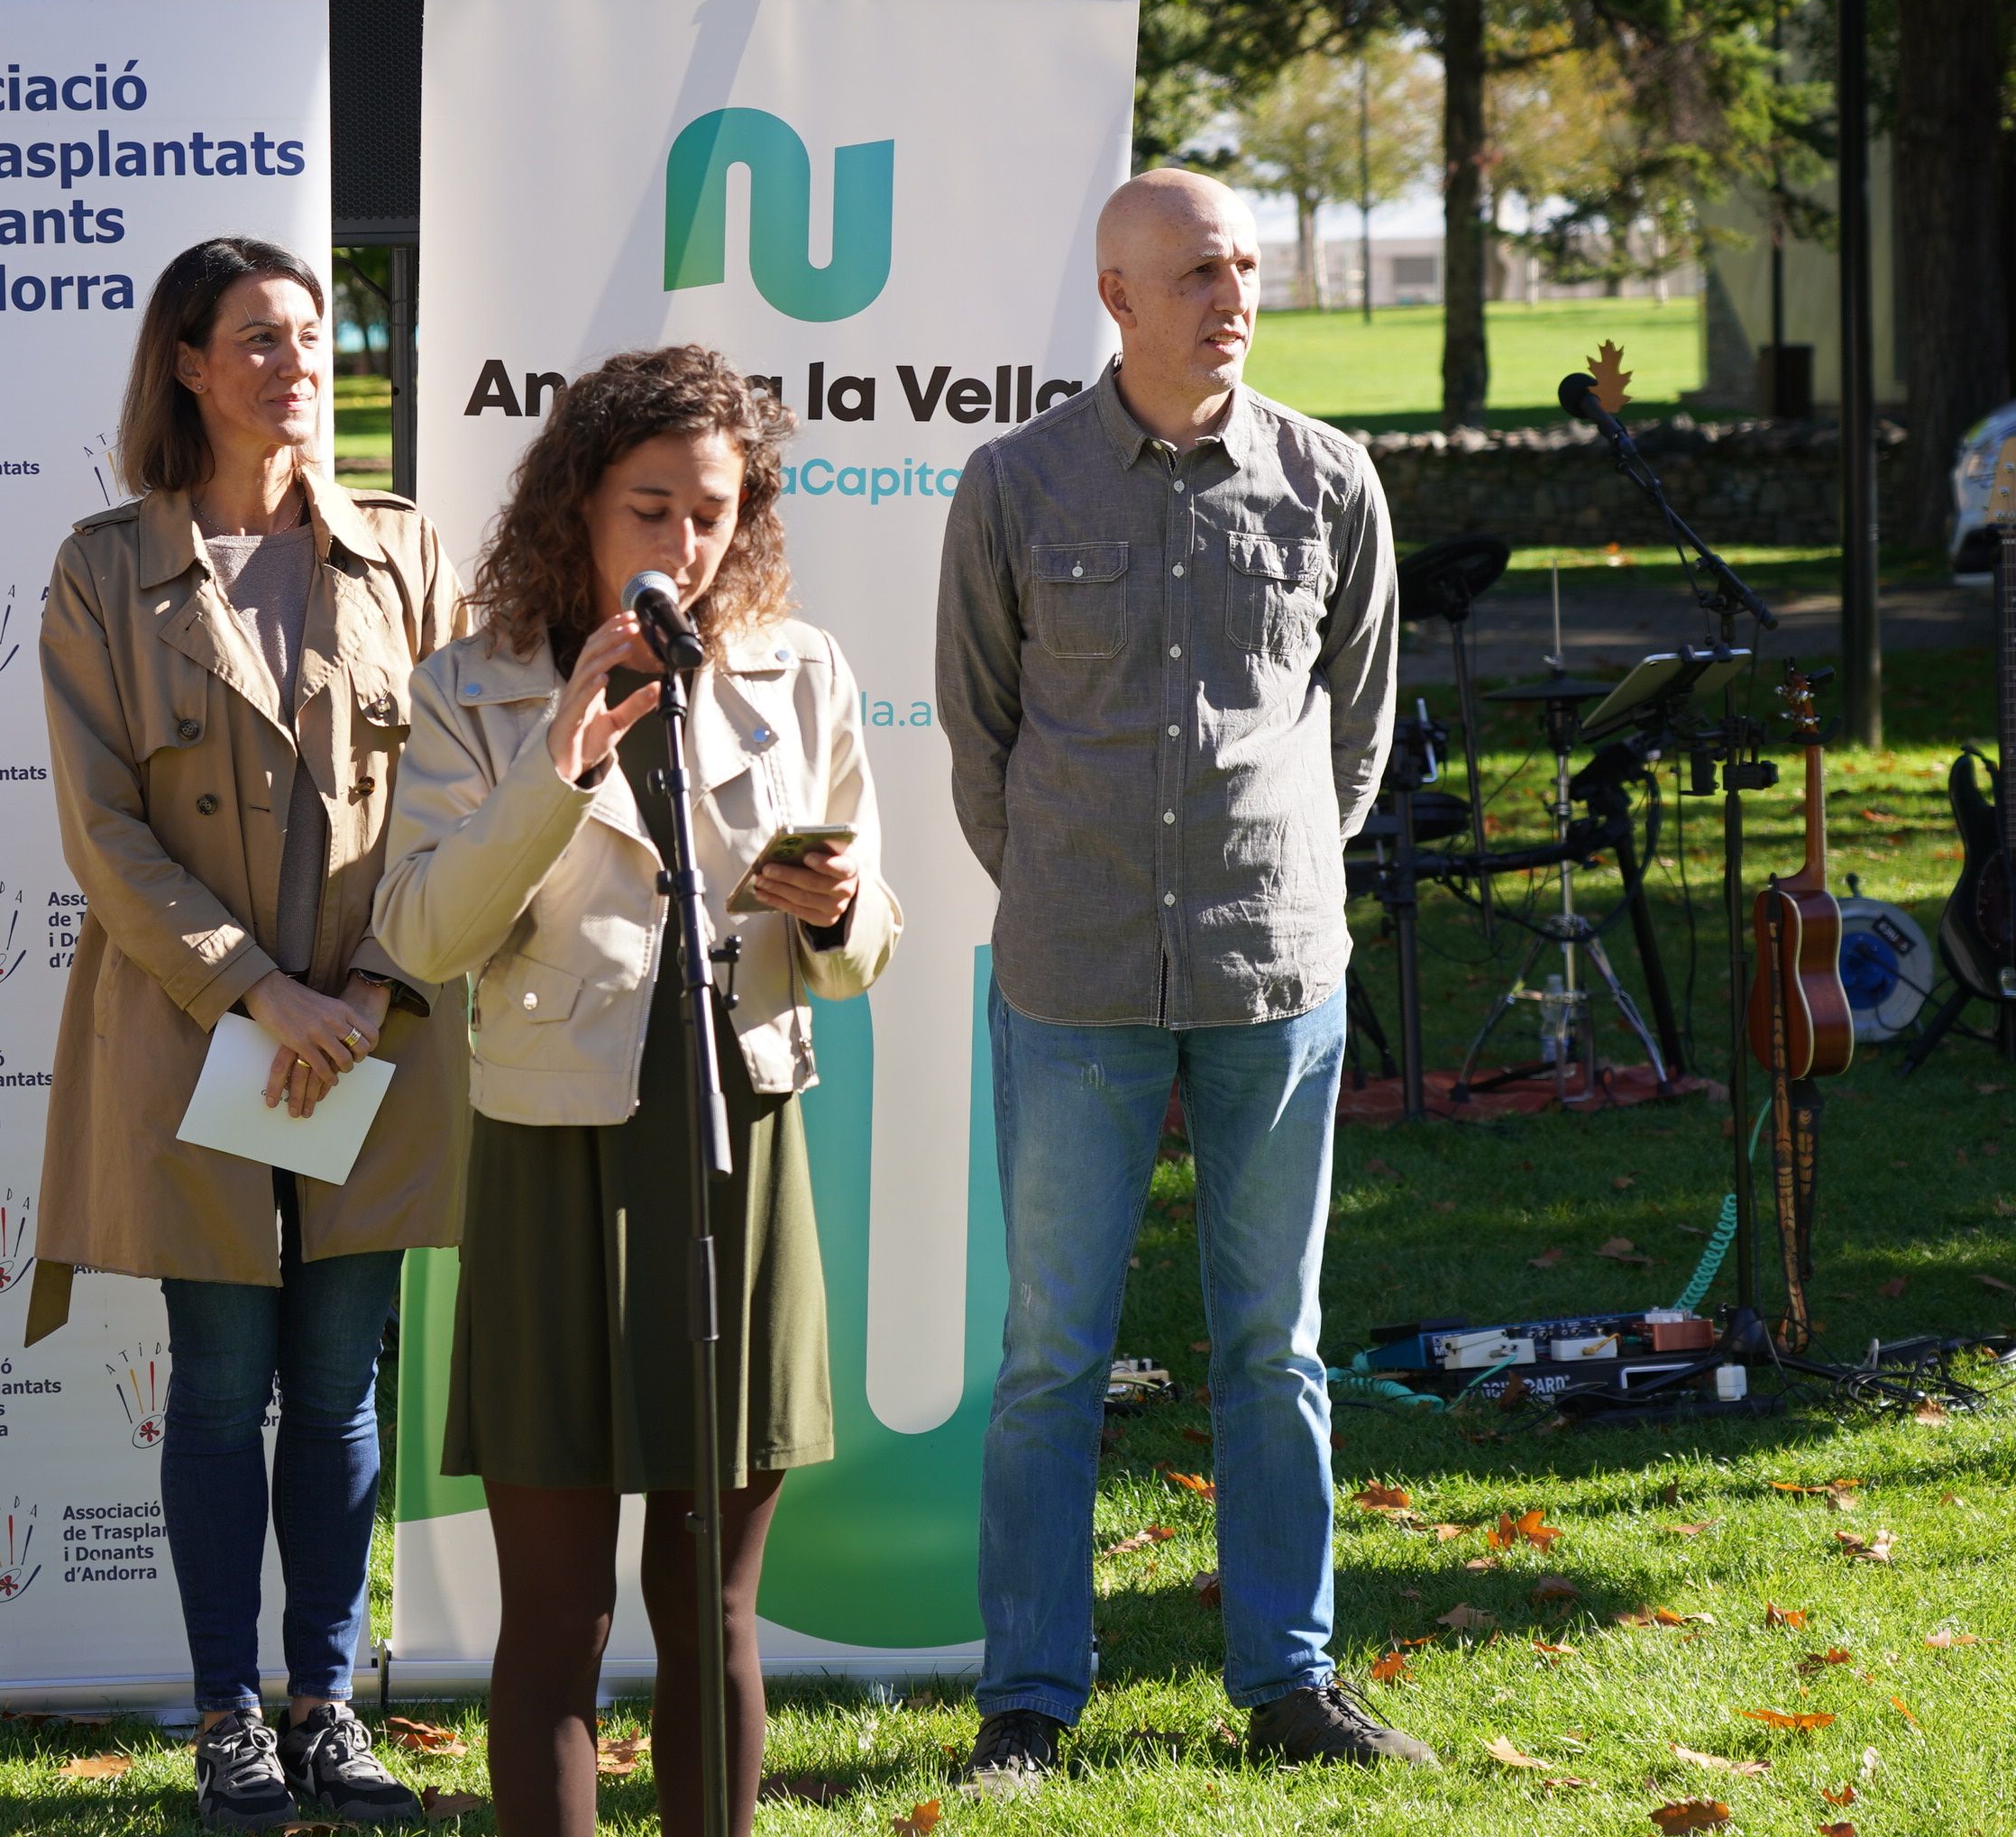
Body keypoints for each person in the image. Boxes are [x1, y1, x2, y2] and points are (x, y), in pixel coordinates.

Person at [934, 168, 1425, 1785]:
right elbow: (980, 737)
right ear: (1117, 298)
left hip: (1275, 969)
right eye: (1199, 272)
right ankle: (1028, 1697)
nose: (1233, 297)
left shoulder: (1332, 481)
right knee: (1049, 1356)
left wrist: (1263, 872)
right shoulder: (1014, 487)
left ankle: (1289, 1679)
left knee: (1272, 1344)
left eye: (1247, 268)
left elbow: (1351, 744)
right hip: (1071, 976)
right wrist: (1077, 885)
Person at [372, 345, 899, 1837]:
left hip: (741, 1136)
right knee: (557, 1619)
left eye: (714, 514)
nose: (684, 546)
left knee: (713, 1602)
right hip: (553, 1149)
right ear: (577, 511)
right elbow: (422, 936)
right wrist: (561, 760)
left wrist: (837, 904)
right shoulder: (474, 688)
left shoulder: (799, 670)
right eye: (650, 509)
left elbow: (866, 950)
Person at [24, 235, 463, 1832]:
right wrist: (253, 988)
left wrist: (364, 993)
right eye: (257, 339)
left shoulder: (407, 553)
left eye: (309, 333)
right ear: (190, 368)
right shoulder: (101, 568)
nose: (295, 361)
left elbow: (457, 797)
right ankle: (229, 1720)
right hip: (195, 1029)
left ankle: (327, 1709)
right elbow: (105, 832)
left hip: (370, 1032)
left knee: (341, 1387)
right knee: (219, 1386)